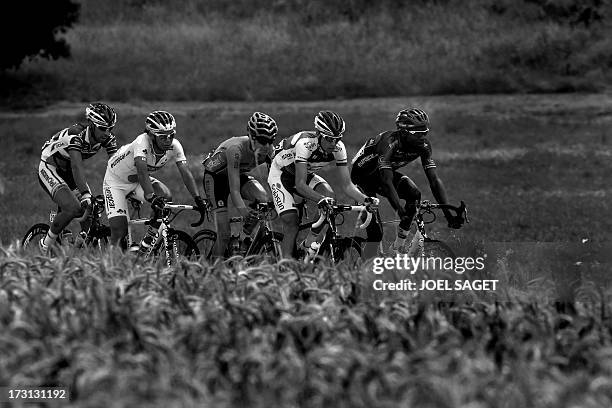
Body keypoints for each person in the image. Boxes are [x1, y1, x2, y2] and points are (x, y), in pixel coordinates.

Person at [350, 107, 463, 255]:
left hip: (380, 175)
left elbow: (434, 181)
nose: (423, 138)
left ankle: (397, 249)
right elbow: (386, 181)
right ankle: (367, 268)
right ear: (403, 132)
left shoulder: (423, 146)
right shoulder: (389, 143)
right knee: (376, 234)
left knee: (414, 194)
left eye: (425, 133)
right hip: (361, 179)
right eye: (418, 134)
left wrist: (448, 214)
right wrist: (399, 210)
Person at [268, 110, 378, 259]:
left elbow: (347, 186)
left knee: (329, 197)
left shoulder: (339, 148)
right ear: (319, 134)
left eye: (337, 138)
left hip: (303, 173)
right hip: (280, 174)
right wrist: (320, 199)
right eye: (329, 139)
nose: (333, 143)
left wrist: (366, 200)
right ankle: (285, 267)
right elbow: (300, 185)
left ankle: (307, 246)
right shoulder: (304, 144)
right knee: (291, 222)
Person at [103, 110, 208, 248]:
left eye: (171, 135)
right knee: (119, 229)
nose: (168, 140)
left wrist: (198, 199)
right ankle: (111, 263)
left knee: (165, 197)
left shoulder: (174, 145)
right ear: (152, 135)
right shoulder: (142, 142)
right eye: (163, 137)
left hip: (137, 180)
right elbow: (141, 171)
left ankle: (146, 245)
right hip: (116, 182)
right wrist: (151, 196)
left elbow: (185, 172)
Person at [38, 102, 119, 253]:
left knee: (91, 213)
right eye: (102, 128)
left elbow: (116, 166)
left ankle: (79, 252)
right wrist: (85, 194)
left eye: (110, 129)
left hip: (68, 170)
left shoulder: (107, 138)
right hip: (50, 167)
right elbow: (77, 167)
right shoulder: (76, 136)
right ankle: (44, 245)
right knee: (73, 208)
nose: (107, 133)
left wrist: (124, 188)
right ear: (91, 124)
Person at [202, 112, 276, 258]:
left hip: (238, 175)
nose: (267, 146)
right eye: (262, 140)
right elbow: (234, 190)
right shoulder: (235, 149)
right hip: (215, 179)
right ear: (251, 136)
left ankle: (243, 241)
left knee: (263, 199)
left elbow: (274, 180)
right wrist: (245, 213)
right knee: (224, 234)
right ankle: (212, 270)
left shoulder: (270, 151)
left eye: (270, 140)